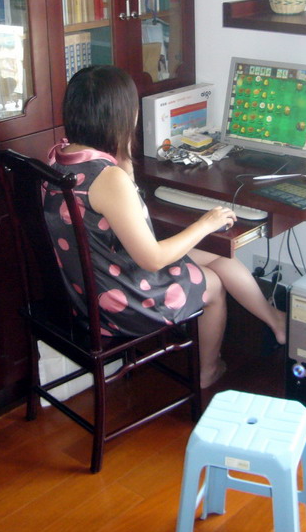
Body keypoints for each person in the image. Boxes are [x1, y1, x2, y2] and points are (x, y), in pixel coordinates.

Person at [45, 65, 287, 388]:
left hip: (94, 280)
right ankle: (208, 372)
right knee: (213, 283)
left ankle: (276, 322)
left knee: (221, 258)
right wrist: (205, 223)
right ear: (121, 118)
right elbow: (154, 259)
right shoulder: (108, 178)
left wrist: (122, 155)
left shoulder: (59, 156)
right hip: (120, 299)